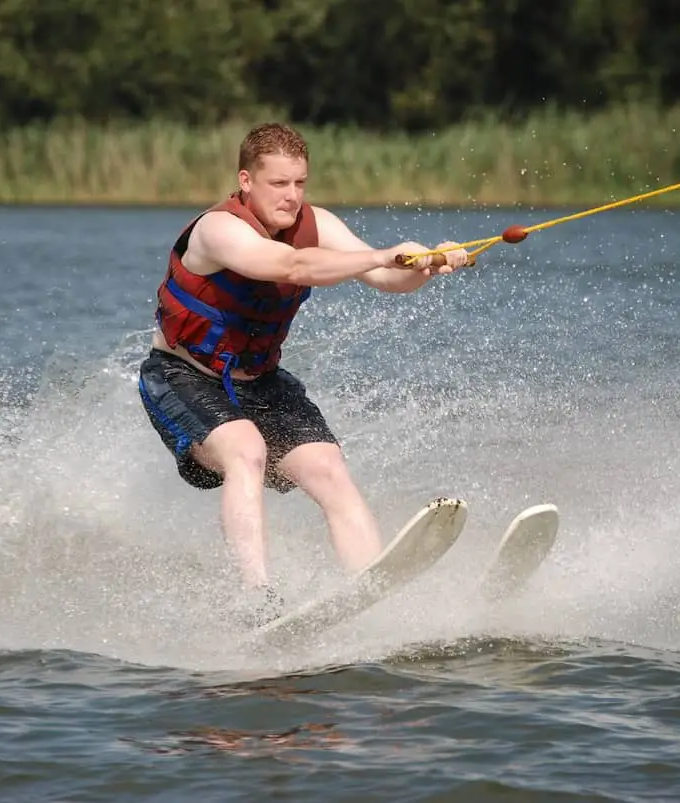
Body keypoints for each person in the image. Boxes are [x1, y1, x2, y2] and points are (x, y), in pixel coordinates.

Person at [137, 122, 472, 625]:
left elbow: (385, 277)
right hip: (183, 378)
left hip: (261, 382)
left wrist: (426, 266)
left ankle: (376, 595)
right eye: (279, 184)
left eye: (300, 183)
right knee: (245, 450)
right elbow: (290, 267)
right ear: (246, 180)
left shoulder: (319, 224)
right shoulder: (217, 230)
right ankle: (255, 599)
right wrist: (382, 253)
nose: (292, 197)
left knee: (327, 467)